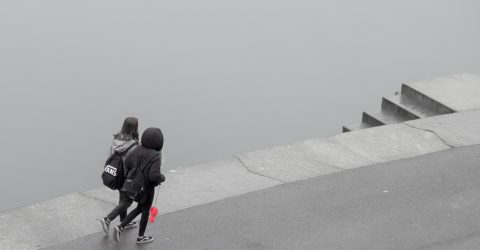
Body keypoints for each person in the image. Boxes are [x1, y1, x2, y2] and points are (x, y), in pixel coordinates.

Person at [113, 127, 165, 244]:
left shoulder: (138, 148)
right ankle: (141, 237)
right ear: (159, 142)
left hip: (135, 186)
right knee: (145, 212)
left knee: (139, 209)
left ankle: (121, 226)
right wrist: (162, 178)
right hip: (147, 189)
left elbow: (128, 163)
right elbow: (153, 176)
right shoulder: (156, 155)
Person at [100, 117, 140, 234]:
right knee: (128, 201)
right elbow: (134, 165)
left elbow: (110, 155)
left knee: (122, 198)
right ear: (135, 128)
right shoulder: (134, 145)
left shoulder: (116, 139)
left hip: (116, 174)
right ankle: (108, 219)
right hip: (126, 177)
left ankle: (124, 221)